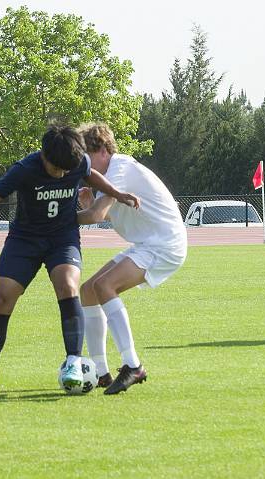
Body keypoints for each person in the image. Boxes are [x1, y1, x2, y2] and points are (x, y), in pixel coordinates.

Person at [0, 124, 140, 398]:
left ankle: (73, 361)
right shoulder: (24, 169)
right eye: (57, 169)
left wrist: (117, 194)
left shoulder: (76, 160)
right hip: (25, 239)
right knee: (2, 297)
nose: (62, 174)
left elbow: (91, 175)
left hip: (62, 237)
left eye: (66, 170)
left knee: (68, 285)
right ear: (44, 157)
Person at [76, 123, 187, 395]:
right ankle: (100, 372)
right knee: (88, 291)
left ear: (102, 150)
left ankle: (133, 365)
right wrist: (88, 204)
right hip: (148, 243)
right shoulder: (105, 178)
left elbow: (96, 216)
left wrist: (51, 220)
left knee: (104, 287)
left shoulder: (119, 168)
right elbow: (98, 212)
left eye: (84, 157)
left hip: (164, 244)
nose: (81, 166)